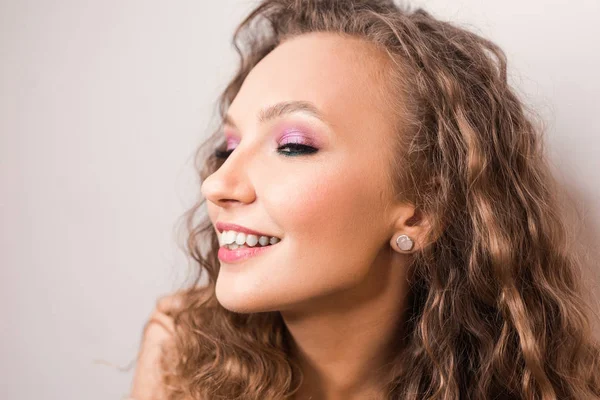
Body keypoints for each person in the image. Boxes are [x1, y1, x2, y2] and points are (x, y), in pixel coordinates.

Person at [128, 0, 600, 399]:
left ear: (421, 209)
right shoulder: (181, 359)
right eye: (227, 148)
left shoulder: (541, 383)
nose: (216, 184)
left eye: (293, 145)